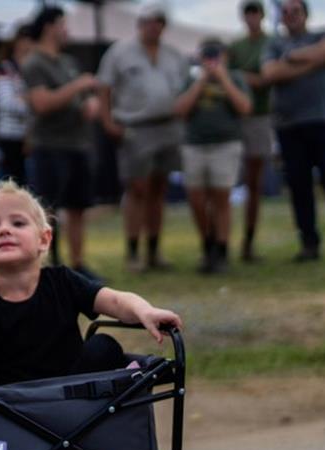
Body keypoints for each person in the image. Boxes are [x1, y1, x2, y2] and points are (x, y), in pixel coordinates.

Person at [0, 180, 183, 386]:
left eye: (18, 222)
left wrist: (145, 311)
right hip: (19, 407)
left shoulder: (62, 281)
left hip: (73, 399)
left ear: (44, 239)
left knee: (104, 346)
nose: (4, 230)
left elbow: (114, 300)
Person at [262, 0, 325, 262]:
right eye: (285, 13)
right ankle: (309, 243)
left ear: (306, 14)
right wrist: (313, 61)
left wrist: (293, 59)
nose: (290, 16)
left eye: (295, 11)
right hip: (290, 125)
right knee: (299, 185)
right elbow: (270, 73)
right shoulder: (273, 45)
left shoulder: (323, 35)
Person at [98, 2, 189, 272]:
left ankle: (154, 250)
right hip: (136, 128)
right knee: (137, 188)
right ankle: (133, 251)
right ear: (140, 23)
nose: (154, 26)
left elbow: (185, 88)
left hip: (169, 127)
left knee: (159, 189)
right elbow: (104, 87)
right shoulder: (120, 52)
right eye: (149, 21)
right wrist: (108, 121)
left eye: (159, 21)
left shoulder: (174, 55)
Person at [21, 6, 101, 277]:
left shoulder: (68, 62)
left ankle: (78, 266)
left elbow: (78, 99)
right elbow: (41, 103)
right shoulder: (34, 63)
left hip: (77, 143)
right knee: (48, 211)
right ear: (49, 27)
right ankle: (48, 266)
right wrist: (78, 87)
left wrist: (89, 103)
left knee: (78, 207)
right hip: (50, 146)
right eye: (63, 24)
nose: (67, 30)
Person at [174, 38, 253, 274]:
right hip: (195, 145)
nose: (211, 61)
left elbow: (245, 108)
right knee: (196, 199)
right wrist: (201, 81)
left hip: (226, 144)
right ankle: (207, 243)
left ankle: (221, 249)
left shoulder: (235, 77)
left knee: (221, 197)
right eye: (206, 55)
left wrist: (223, 78)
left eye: (216, 55)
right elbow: (180, 110)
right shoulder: (191, 78)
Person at [228, 0, 274, 262]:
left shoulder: (271, 43)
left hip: (259, 118)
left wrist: (242, 78)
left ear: (262, 15)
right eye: (247, 12)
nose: (251, 17)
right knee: (226, 183)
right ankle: (221, 241)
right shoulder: (236, 46)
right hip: (236, 120)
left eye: (255, 12)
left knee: (254, 183)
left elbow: (266, 79)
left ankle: (248, 240)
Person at [0, 24, 35, 185]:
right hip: (11, 135)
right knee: (14, 183)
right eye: (26, 40)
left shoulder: (32, 68)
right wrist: (31, 103)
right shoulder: (4, 68)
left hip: (34, 135)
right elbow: (6, 103)